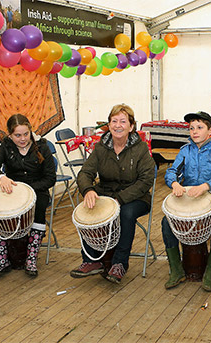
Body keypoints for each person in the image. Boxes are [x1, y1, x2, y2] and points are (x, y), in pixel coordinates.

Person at [70, 104, 155, 284]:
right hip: (106, 194)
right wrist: (88, 190)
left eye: (123, 121)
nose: (118, 125)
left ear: (131, 126)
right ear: (108, 125)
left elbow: (146, 180)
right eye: (114, 121)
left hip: (136, 197)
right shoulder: (101, 148)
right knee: (86, 207)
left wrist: (120, 199)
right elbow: (85, 173)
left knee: (126, 213)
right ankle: (91, 260)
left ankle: (120, 263)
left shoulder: (140, 149)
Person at [161, 111, 211, 292]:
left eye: (199, 127)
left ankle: (209, 271)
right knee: (166, 222)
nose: (194, 131)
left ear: (210, 130)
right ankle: (176, 269)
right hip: (188, 200)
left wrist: (206, 186)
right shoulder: (185, 151)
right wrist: (175, 182)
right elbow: (171, 171)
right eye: (192, 128)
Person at [0, 114, 55, 278]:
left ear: (30, 132)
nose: (23, 139)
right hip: (12, 191)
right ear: (10, 135)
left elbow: (50, 178)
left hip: (37, 190)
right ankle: (2, 260)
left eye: (26, 134)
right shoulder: (6, 147)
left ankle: (31, 259)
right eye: (17, 135)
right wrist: (1, 177)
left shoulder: (42, 147)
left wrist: (28, 189)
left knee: (38, 208)